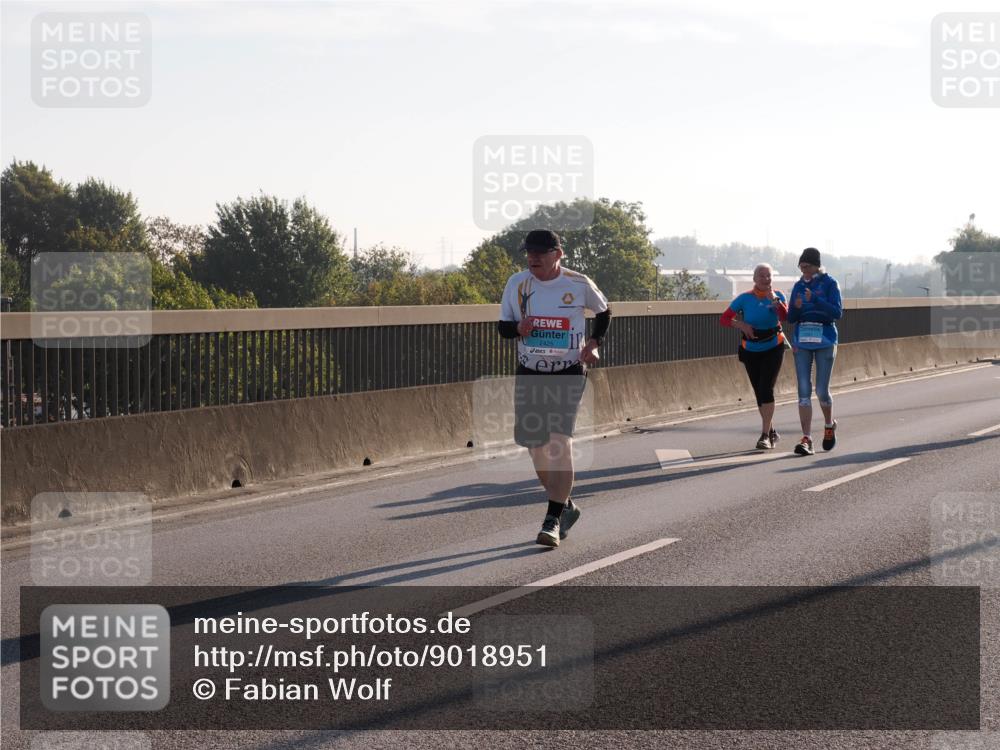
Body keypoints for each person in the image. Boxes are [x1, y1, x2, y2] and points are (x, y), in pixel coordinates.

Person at [497, 229, 611, 547]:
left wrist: (593, 342)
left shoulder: (578, 283)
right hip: (530, 372)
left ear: (558, 254)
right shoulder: (517, 284)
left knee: (560, 443)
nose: (533, 258)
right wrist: (518, 327)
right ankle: (566, 505)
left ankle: (552, 519)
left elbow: (604, 312)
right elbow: (503, 327)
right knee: (536, 446)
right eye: (529, 252)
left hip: (568, 372)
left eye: (540, 252)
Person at [720, 263, 788, 450]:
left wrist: (775, 301)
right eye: (762, 276)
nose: (766, 279)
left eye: (769, 276)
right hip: (750, 350)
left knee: (766, 389)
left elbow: (785, 316)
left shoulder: (778, 296)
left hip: (774, 346)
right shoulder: (744, 299)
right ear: (754, 279)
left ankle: (765, 435)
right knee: (759, 392)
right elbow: (724, 319)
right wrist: (741, 325)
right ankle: (772, 431)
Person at [787, 247, 843, 456]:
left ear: (816, 266)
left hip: (825, 340)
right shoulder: (798, 286)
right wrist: (798, 306)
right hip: (802, 341)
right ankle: (807, 438)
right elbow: (791, 317)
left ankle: (829, 425)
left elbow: (837, 312)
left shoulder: (830, 283)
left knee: (821, 391)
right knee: (803, 391)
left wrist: (816, 299)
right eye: (801, 268)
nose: (804, 272)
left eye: (807, 267)